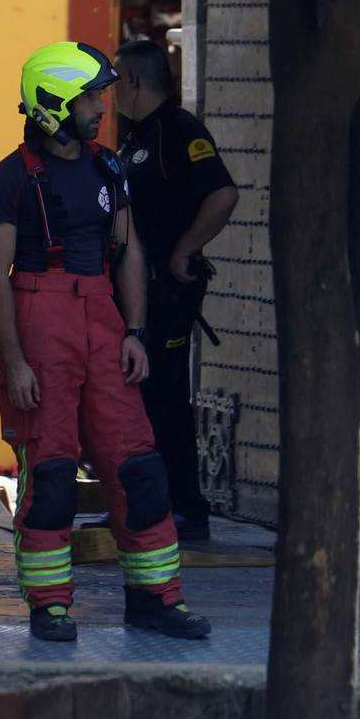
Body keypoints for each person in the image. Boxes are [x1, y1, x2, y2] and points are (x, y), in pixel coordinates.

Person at [0, 41, 212, 643]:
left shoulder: (108, 167)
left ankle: (157, 600)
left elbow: (128, 251)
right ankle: (50, 606)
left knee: (138, 469)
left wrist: (134, 332)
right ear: (53, 104)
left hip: (104, 321)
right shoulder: (8, 180)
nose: (102, 108)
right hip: (40, 319)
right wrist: (16, 360)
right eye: (89, 98)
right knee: (53, 476)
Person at [109, 38, 239, 542]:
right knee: (134, 400)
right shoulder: (136, 136)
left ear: (134, 80)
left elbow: (223, 194)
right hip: (135, 292)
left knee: (164, 398)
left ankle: (186, 508)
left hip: (166, 291)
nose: (108, 91)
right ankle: (144, 506)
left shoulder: (179, 131)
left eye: (114, 79)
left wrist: (185, 250)